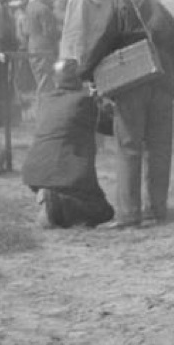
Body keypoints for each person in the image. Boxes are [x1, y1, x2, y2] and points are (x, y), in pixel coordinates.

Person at [82, 0, 174, 228]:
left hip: (131, 85)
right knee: (159, 149)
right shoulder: (160, 6)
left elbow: (99, 41)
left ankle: (129, 214)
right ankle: (157, 209)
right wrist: (167, 77)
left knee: (129, 148)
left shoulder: (117, 3)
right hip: (162, 84)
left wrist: (85, 72)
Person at [21, 59, 114, 228]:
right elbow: (109, 127)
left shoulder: (45, 100)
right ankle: (57, 202)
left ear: (56, 80)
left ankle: (51, 199)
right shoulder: (84, 101)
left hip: (34, 173)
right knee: (104, 212)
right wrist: (102, 99)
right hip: (68, 175)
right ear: (79, 79)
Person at [61, 0, 115, 67]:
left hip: (98, 57)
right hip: (81, 60)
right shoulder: (81, 1)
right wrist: (80, 63)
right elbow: (76, 35)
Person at [26, 0, 61, 114]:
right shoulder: (44, 9)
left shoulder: (30, 6)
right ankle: (44, 112)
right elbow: (50, 32)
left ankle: (43, 111)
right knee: (46, 82)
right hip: (44, 49)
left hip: (33, 46)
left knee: (40, 80)